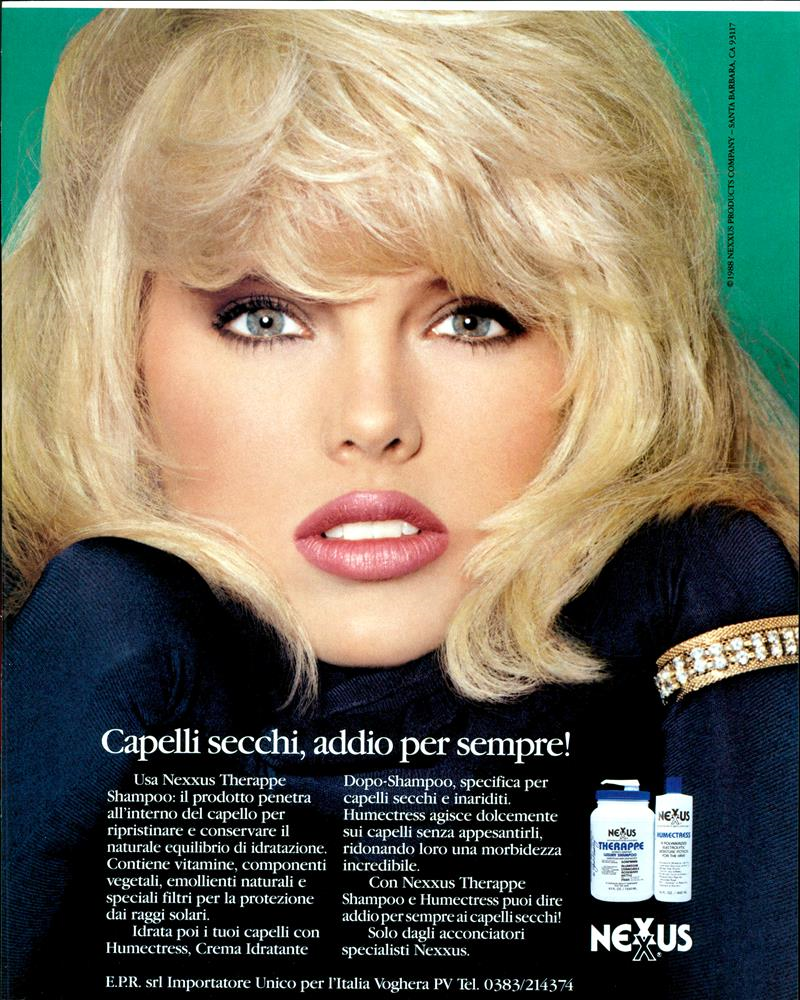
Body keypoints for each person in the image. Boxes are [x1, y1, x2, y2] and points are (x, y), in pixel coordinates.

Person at [3, 10, 797, 1000]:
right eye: (265, 317)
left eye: (473, 318)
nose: (372, 420)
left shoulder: (699, 612)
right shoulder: (83, 638)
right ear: (120, 350)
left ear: (603, 357)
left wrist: (734, 629)